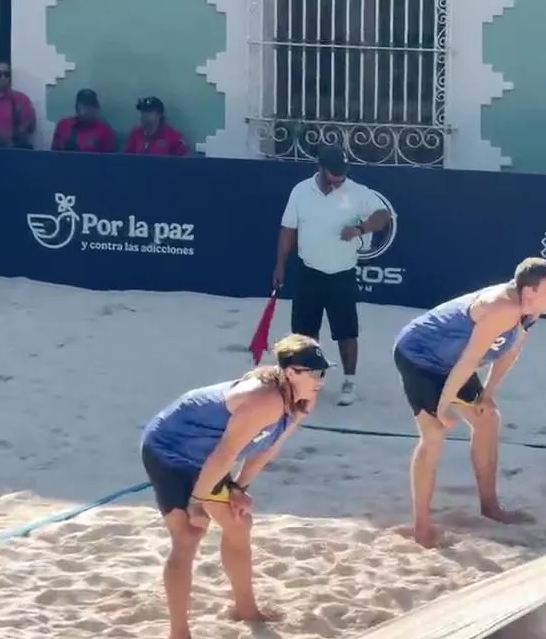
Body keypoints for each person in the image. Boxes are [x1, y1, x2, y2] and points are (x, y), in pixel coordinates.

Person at [140, 334, 330, 636]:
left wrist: (240, 488)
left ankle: (245, 608)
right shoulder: (264, 400)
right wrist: (198, 502)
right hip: (170, 450)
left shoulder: (303, 396)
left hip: (206, 456)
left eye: (323, 372)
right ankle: (179, 632)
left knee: (239, 523)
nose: (320, 380)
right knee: (187, 537)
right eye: (314, 373)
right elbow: (225, 454)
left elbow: (269, 446)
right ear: (291, 372)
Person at [393, 257, 546, 547]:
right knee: (434, 433)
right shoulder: (502, 308)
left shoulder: (529, 309)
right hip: (419, 356)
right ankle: (421, 527)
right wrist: (442, 408)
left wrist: (487, 394)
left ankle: (490, 507)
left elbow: (510, 352)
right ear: (529, 291)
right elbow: (469, 360)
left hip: (452, 363)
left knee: (488, 418)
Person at [272, 146, 393, 406]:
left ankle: (349, 382)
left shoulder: (357, 192)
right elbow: (288, 230)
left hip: (341, 273)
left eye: (342, 173)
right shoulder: (300, 191)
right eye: (333, 173)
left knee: (346, 331)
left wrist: (360, 228)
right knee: (303, 334)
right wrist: (280, 266)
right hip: (309, 271)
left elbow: (384, 216)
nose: (339, 178)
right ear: (320, 168)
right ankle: (307, 382)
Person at [50, 88, 117, 152]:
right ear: (77, 108)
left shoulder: (104, 131)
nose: (88, 110)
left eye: (91, 106)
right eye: (85, 106)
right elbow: (54, 153)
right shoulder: (64, 125)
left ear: (96, 108)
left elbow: (108, 158)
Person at [125, 96, 190, 156]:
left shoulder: (173, 136)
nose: (144, 115)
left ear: (160, 114)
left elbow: (184, 160)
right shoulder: (136, 134)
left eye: (149, 111)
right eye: (143, 111)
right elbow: (127, 159)